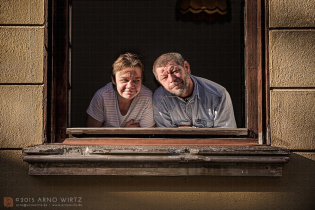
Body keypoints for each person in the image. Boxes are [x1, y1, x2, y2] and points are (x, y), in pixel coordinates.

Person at [152, 52, 236, 128]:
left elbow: (225, 137)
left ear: (186, 67)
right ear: (159, 82)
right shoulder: (159, 99)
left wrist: (190, 132)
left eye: (175, 71)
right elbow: (165, 139)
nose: (171, 79)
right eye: (164, 77)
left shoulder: (218, 95)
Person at [86, 53, 155, 127]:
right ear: (113, 79)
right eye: (124, 80)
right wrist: (124, 133)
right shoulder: (102, 96)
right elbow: (92, 135)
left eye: (136, 80)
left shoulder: (147, 97)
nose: (130, 86)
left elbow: (149, 135)